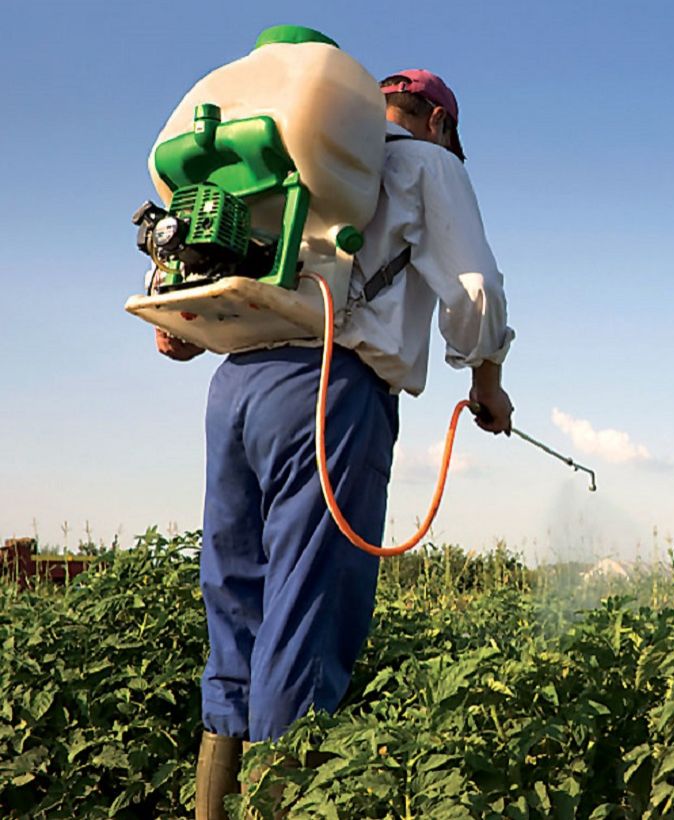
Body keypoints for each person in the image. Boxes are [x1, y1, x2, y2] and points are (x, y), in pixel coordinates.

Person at [159, 69, 515, 818]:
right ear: (440, 123)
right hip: (328, 389)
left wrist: (186, 328)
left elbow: (189, 304)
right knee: (306, 614)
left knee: (236, 604)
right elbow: (473, 288)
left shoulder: (291, 150)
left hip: (234, 390)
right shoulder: (425, 161)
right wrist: (486, 382)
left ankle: (213, 806)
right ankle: (277, 806)